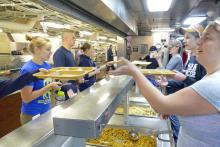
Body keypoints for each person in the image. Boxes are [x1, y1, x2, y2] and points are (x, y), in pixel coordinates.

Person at [110, 18, 220, 146]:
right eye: (201, 37)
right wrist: (175, 106)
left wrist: (136, 72)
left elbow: (160, 105)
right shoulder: (211, 77)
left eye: (207, 38)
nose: (199, 41)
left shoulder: (215, 84)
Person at [159, 23, 207, 144]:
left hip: (197, 117)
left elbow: (203, 91)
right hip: (187, 112)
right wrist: (169, 84)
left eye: (188, 37)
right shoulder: (192, 59)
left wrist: (184, 78)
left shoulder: (205, 60)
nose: (184, 41)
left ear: (199, 39)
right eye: (184, 37)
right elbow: (185, 85)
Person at [20, 36, 61, 125]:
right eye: (47, 50)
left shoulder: (47, 66)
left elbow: (49, 86)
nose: (51, 52)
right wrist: (49, 87)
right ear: (37, 49)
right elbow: (26, 98)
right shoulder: (27, 69)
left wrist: (55, 86)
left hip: (46, 110)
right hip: (32, 114)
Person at [53, 30, 79, 99]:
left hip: (72, 87)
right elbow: (59, 76)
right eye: (73, 37)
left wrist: (78, 77)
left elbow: (72, 70)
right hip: (66, 90)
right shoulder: (59, 53)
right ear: (66, 38)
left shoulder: (69, 53)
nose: (75, 39)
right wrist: (70, 92)